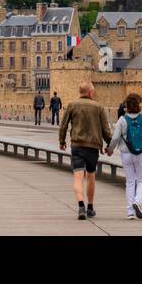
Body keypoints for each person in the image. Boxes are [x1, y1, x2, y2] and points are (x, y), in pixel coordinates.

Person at [58, 81, 113, 221]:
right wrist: (110, 145)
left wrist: (62, 141)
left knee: (78, 176)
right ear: (90, 93)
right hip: (93, 147)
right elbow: (106, 130)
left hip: (77, 145)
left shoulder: (72, 105)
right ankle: (90, 207)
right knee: (91, 176)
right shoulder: (98, 107)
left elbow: (63, 125)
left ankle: (80, 205)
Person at [107, 92, 142, 219]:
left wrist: (110, 149)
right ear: (139, 105)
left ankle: (130, 211)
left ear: (127, 106)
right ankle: (138, 201)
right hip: (141, 153)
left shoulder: (122, 120)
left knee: (130, 181)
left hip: (126, 154)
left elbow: (115, 138)